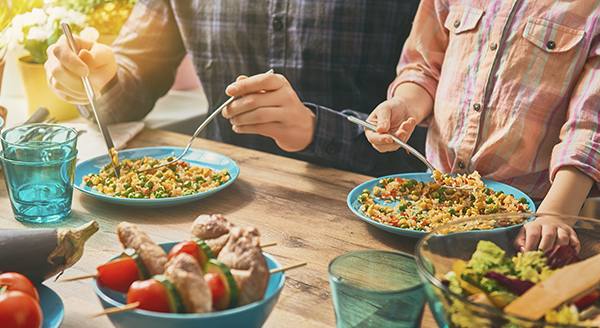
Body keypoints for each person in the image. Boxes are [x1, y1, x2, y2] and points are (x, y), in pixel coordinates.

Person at [44, 0, 427, 177]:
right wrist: (99, 78)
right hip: (213, 197)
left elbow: (435, 139)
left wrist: (316, 129)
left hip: (372, 208)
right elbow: (129, 83)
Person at [364, 0, 600, 253]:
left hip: (532, 220)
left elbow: (589, 127)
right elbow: (424, 68)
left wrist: (555, 215)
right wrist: (405, 106)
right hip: (432, 202)